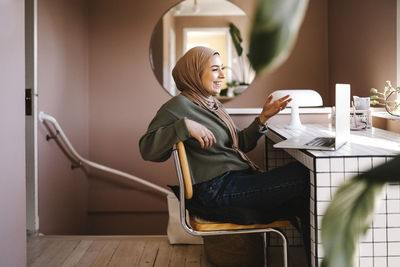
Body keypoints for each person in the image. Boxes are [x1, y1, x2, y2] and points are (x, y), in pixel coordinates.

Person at [139, 46, 310, 265]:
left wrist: (262, 119)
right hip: (217, 189)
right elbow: (146, 149)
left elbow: (239, 145)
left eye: (222, 69)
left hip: (235, 181)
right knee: (302, 175)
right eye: (215, 69)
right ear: (194, 72)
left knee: (302, 193)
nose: (222, 76)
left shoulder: (213, 105)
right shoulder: (178, 106)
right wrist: (184, 126)